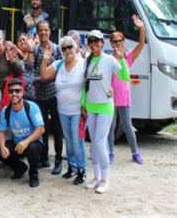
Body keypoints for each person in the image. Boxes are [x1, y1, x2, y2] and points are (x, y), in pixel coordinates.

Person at [83, 30, 130, 194]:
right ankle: (96, 177)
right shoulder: (87, 61)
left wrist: (122, 58)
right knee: (94, 142)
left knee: (100, 142)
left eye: (97, 41)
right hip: (91, 106)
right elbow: (85, 85)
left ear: (102, 43)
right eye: (91, 41)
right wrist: (83, 103)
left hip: (105, 106)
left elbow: (125, 77)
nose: (94, 44)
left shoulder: (109, 60)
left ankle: (105, 179)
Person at [39, 36, 87, 185]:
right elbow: (44, 75)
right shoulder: (58, 64)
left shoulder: (83, 64)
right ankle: (72, 167)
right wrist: (45, 59)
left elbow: (92, 82)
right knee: (69, 140)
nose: (67, 51)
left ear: (75, 48)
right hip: (62, 110)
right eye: (64, 48)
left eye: (70, 47)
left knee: (77, 140)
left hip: (78, 111)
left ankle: (82, 170)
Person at [107, 15, 146, 164]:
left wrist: (141, 28)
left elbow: (141, 44)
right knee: (110, 126)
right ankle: (110, 153)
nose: (118, 43)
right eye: (115, 41)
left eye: (120, 40)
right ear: (111, 43)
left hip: (124, 96)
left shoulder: (128, 56)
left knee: (127, 126)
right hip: (111, 97)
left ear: (124, 41)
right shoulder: (109, 58)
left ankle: (135, 153)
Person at [0, 78, 45, 187]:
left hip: (32, 143)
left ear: (23, 92)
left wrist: (26, 142)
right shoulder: (6, 110)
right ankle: (20, 167)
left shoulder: (32, 107)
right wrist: (2, 146)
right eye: (11, 91)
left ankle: (33, 174)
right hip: (17, 144)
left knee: (32, 148)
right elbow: (1, 131)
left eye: (17, 91)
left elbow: (41, 129)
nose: (14, 94)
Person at [33, 20, 64, 174]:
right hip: (40, 95)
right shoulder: (36, 49)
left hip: (54, 94)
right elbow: (34, 72)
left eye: (46, 30)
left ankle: (58, 159)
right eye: (41, 30)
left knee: (57, 128)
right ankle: (44, 158)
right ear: (37, 32)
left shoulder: (57, 49)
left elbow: (60, 71)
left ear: (50, 31)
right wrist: (42, 77)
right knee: (42, 127)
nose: (43, 33)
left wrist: (44, 77)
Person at [0, 29, 22, 123]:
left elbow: (19, 72)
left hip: (9, 92)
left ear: (3, 40)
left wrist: (12, 60)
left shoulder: (9, 53)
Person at [17, 33, 36, 101]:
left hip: (34, 93)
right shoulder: (16, 57)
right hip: (20, 93)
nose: (22, 42)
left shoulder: (34, 53)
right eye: (20, 41)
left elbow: (29, 65)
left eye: (24, 40)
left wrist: (30, 49)